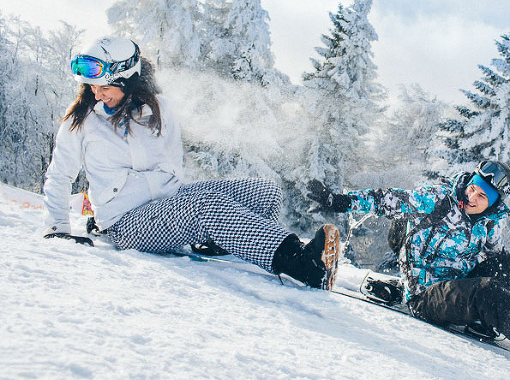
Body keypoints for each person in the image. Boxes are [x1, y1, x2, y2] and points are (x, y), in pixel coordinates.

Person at [43, 36, 339, 290]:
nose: (97, 94)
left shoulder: (158, 110)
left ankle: (224, 242)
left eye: (105, 87)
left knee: (265, 192)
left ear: (128, 80)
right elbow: (59, 175)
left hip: (167, 202)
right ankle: (302, 265)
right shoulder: (81, 121)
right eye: (92, 87)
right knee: (207, 207)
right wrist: (58, 228)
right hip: (125, 222)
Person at [307, 161, 510, 380]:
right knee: (488, 293)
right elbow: (388, 199)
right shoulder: (438, 200)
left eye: (482, 196)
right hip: (427, 294)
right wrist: (339, 201)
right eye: (473, 188)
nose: (472, 197)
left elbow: (498, 257)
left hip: (461, 284)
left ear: (493, 204)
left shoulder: (488, 223)